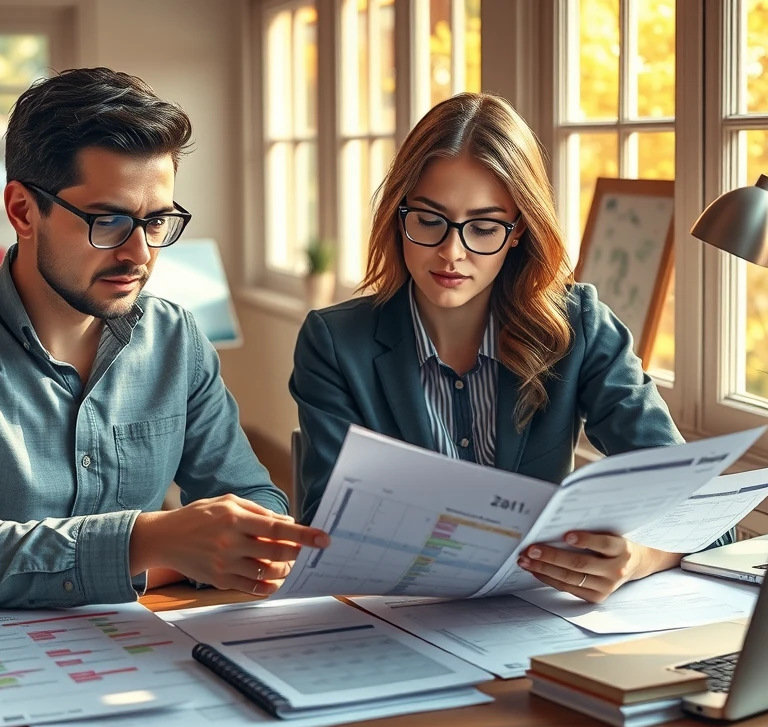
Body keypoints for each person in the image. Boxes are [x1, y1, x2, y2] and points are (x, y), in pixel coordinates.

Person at [0, 67, 328, 609]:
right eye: (108, 221)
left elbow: (254, 505)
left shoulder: (175, 339)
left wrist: (166, 557)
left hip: (146, 653)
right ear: (22, 211)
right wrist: (145, 546)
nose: (141, 254)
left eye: (157, 222)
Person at [290, 92, 726, 604]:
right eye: (429, 220)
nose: (452, 252)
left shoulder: (579, 326)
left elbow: (704, 511)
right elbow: (324, 529)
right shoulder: (335, 343)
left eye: (483, 227)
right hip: (398, 619)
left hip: (532, 621)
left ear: (519, 230)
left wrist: (639, 556)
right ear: (397, 215)